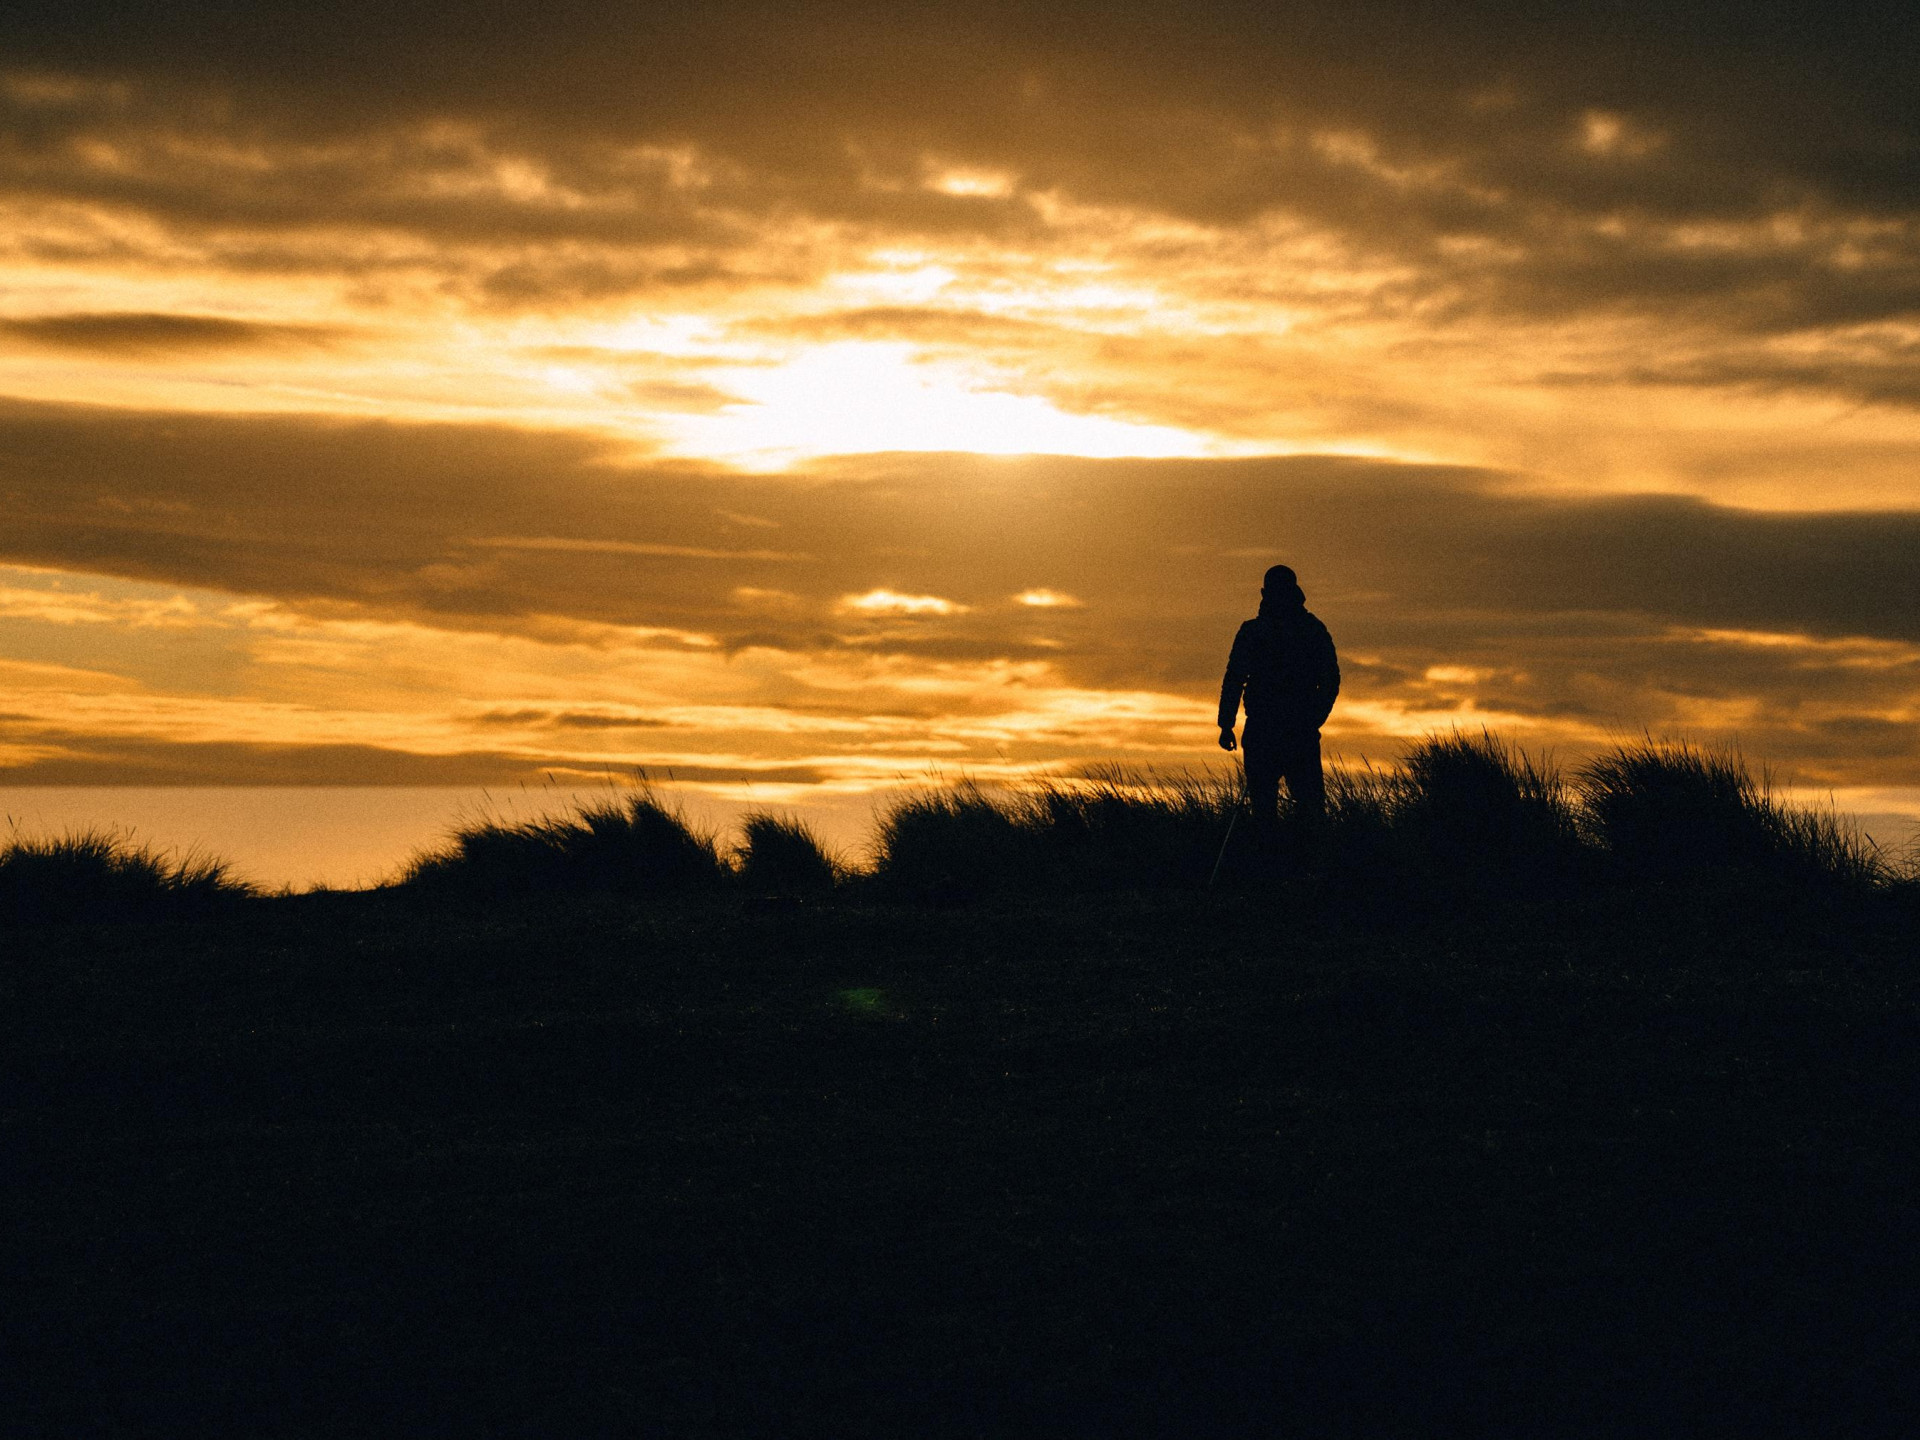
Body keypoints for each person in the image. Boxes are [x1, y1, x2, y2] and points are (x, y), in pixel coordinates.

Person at [1218, 565, 1340, 827]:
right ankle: (1294, 864)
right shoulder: (1310, 629)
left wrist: (1227, 725)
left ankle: (1287, 864)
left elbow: (1234, 679)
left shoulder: (1257, 631)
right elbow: (1234, 679)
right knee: (1300, 812)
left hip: (1280, 731)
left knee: (1287, 812)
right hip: (1280, 731)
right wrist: (1226, 724)